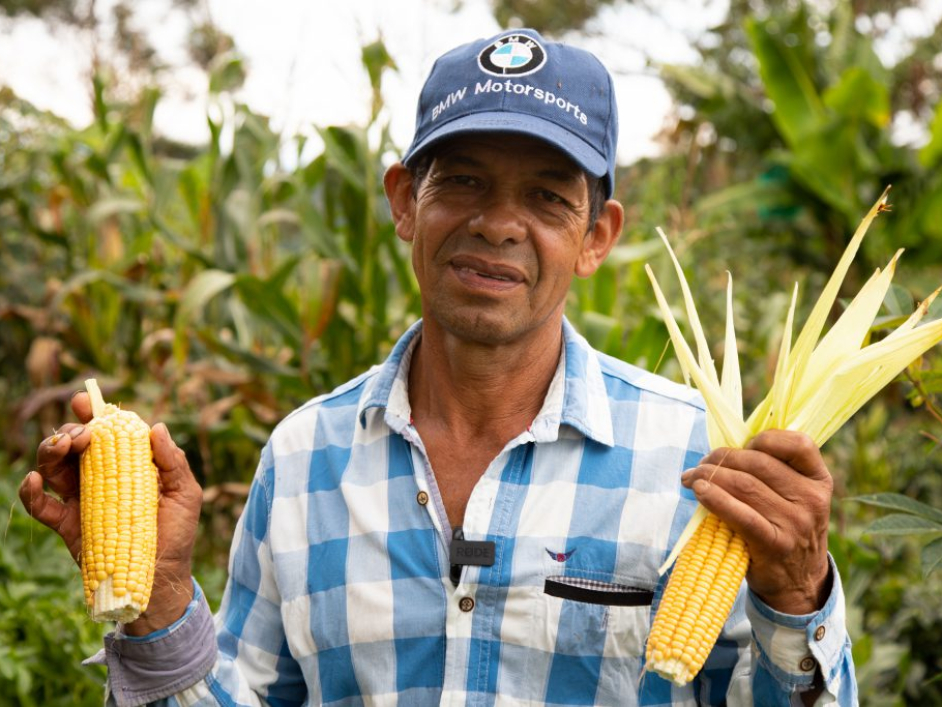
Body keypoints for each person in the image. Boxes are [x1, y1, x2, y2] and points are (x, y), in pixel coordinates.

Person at [21, 28, 857, 707]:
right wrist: (163, 597)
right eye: (461, 181)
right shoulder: (304, 456)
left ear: (597, 235)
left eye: (545, 197)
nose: (497, 223)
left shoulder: (700, 461)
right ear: (401, 200)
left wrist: (795, 597)